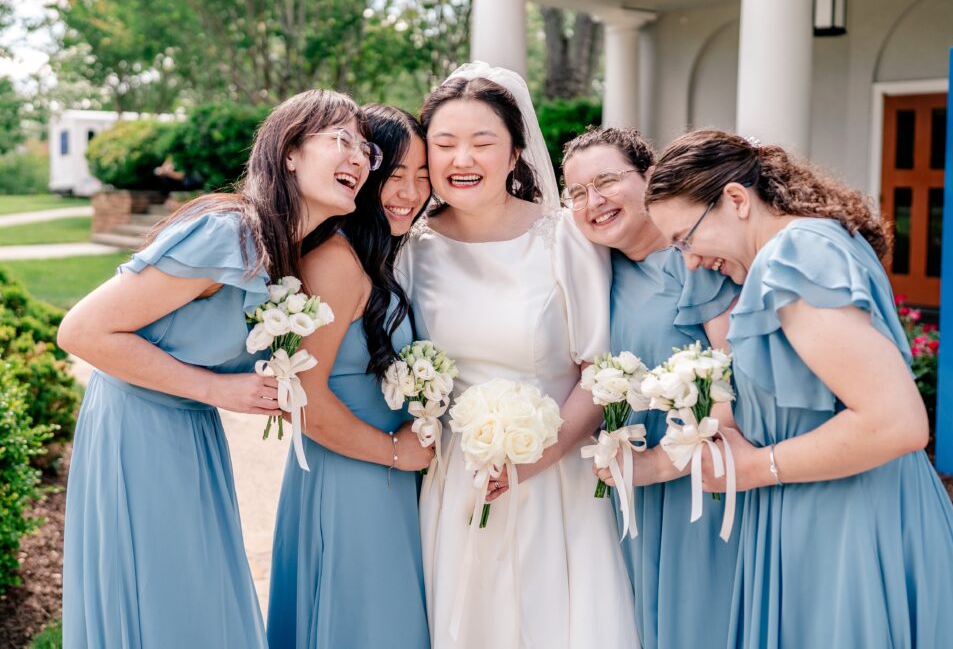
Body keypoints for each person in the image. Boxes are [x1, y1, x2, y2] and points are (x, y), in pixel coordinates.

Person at [645, 128, 953, 648]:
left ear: (736, 199)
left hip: (846, 525)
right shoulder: (804, 248)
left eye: (686, 239)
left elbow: (896, 422)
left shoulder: (795, 256)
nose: (689, 261)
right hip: (819, 512)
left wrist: (753, 467)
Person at [57, 89, 376, 647]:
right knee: (168, 599)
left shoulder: (284, 254)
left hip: (190, 427)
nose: (358, 158)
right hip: (137, 430)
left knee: (198, 597)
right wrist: (217, 388)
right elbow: (82, 331)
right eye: (341, 139)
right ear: (290, 152)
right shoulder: (227, 232)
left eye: (366, 150)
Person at [398, 62, 640, 648]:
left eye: (482, 143)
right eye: (445, 144)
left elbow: (598, 371)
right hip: (457, 477)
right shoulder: (411, 247)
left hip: (556, 478)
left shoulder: (565, 237)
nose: (462, 159)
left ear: (514, 154)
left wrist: (535, 459)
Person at [562, 125, 742, 648]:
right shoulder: (597, 273)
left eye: (607, 181)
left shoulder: (698, 263)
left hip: (699, 481)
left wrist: (660, 465)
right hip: (632, 492)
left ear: (649, 177)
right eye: (577, 193)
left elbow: (738, 384)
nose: (594, 202)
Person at [266, 104, 433, 649]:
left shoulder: (378, 255)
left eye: (423, 175)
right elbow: (303, 399)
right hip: (352, 477)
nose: (411, 192)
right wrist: (396, 452)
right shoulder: (334, 262)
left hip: (380, 474)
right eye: (397, 174)